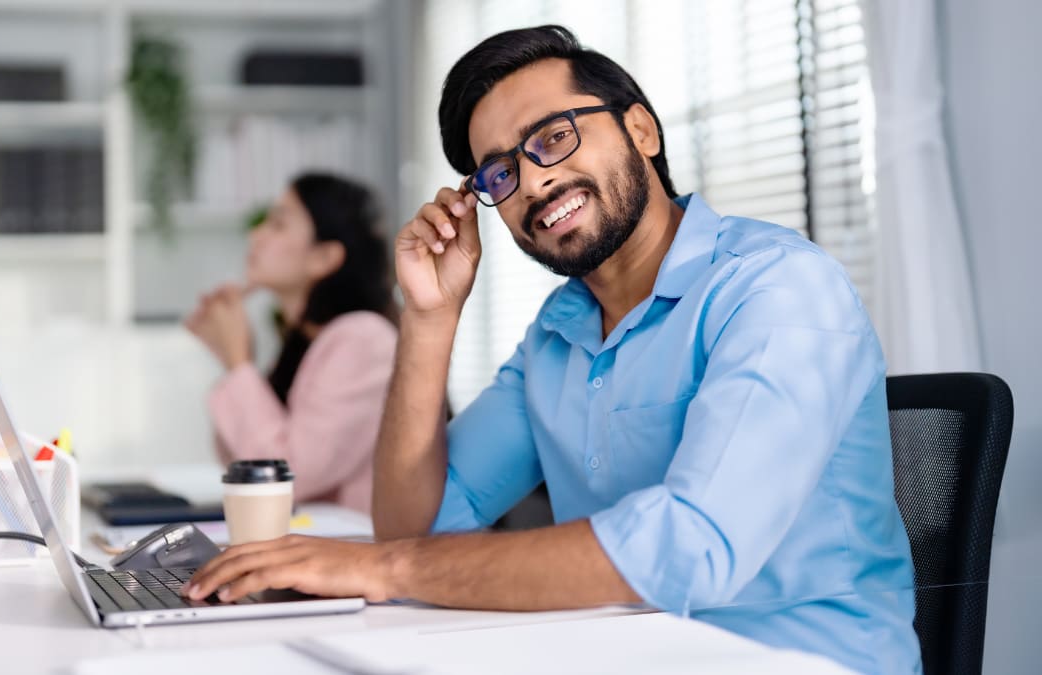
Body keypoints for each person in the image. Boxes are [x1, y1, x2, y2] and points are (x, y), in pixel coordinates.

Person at [183, 26, 919, 673]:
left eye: (554, 136)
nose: (533, 179)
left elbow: (694, 543)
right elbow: (418, 526)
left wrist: (386, 565)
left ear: (641, 131)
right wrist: (429, 317)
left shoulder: (778, 289)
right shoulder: (558, 334)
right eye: (500, 171)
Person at [185, 173, 398, 514]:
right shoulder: (307, 342)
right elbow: (238, 460)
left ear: (324, 257)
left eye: (277, 224)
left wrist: (238, 364)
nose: (256, 234)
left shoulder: (364, 340)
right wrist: (235, 361)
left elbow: (284, 477)